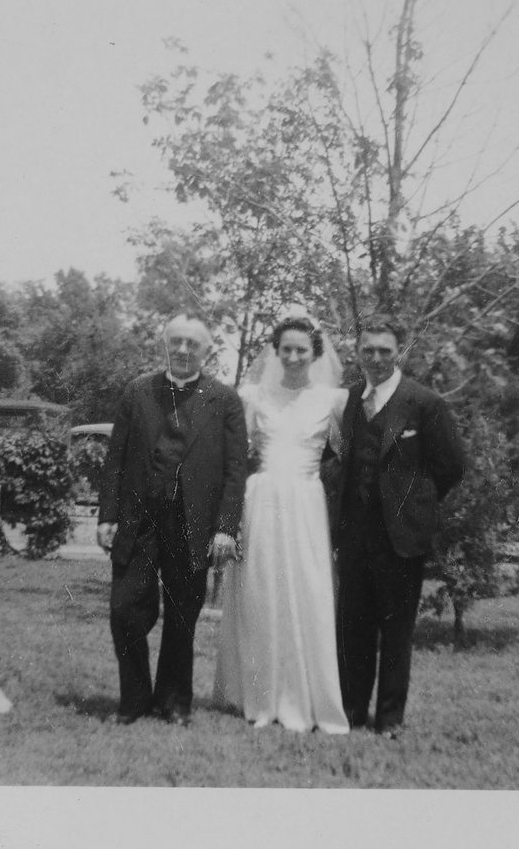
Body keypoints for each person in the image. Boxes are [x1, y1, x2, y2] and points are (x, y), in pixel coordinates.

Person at [95, 312, 247, 726]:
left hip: (192, 523)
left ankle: (175, 702)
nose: (182, 350)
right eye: (176, 341)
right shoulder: (138, 392)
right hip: (139, 519)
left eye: (192, 344)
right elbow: (115, 459)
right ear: (165, 343)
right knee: (125, 610)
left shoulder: (224, 400)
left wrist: (225, 528)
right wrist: (107, 515)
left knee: (182, 617)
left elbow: (236, 470)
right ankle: (134, 699)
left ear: (206, 350)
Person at [212, 312, 349, 734]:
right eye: (285, 349)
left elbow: (347, 457)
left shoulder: (333, 401)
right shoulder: (252, 396)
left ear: (315, 353)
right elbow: (234, 457)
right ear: (275, 351)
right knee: (262, 595)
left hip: (306, 505)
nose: (292, 357)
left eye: (301, 350)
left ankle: (305, 695)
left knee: (307, 594)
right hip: (263, 503)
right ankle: (259, 694)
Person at [332, 315, 466, 738]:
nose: (376, 358)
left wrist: (414, 506)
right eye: (367, 350)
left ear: (400, 352)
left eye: (384, 351)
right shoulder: (348, 400)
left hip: (401, 537)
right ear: (357, 353)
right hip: (354, 535)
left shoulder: (424, 403)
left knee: (396, 631)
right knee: (353, 627)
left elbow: (451, 467)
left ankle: (389, 718)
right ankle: (352, 711)